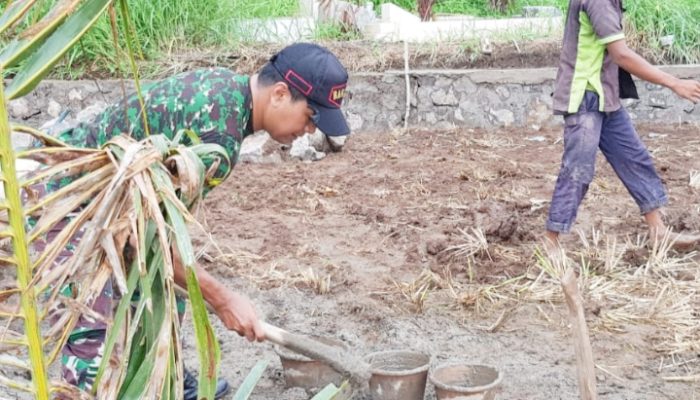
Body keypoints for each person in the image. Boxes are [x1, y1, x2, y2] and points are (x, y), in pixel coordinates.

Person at [43, 42, 350, 398]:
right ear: (280, 93)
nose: (310, 131)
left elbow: (155, 228)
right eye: (311, 117)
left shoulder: (226, 88)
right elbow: (152, 238)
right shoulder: (218, 138)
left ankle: (168, 379)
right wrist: (223, 300)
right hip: (71, 202)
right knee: (93, 339)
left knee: (164, 292)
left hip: (106, 200)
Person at [544, 0, 700, 252]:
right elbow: (621, 55)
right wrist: (674, 83)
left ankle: (658, 231)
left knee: (634, 158)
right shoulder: (599, 1)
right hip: (585, 98)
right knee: (577, 172)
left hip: (606, 97)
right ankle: (551, 243)